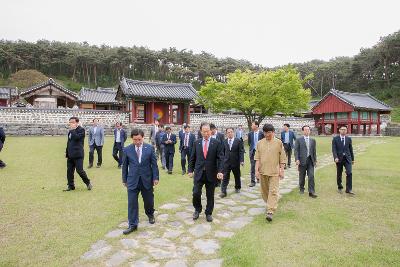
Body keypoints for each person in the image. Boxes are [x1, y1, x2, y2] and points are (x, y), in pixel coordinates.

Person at [122, 128, 159, 234]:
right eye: (135, 140)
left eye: (139, 139)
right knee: (132, 203)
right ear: (132, 139)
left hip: (146, 179)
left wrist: (155, 177)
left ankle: (150, 214)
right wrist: (124, 179)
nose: (137, 142)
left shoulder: (150, 148)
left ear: (143, 138)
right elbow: (125, 166)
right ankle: (133, 224)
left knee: (148, 201)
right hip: (132, 180)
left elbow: (154, 165)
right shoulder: (127, 149)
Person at [188, 123, 224, 222]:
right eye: (204, 131)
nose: (207, 133)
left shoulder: (216, 143)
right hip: (199, 173)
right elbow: (192, 158)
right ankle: (197, 209)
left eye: (208, 131)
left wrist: (220, 171)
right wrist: (190, 170)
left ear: (210, 131)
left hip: (211, 173)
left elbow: (221, 158)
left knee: (210, 195)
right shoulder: (197, 143)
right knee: (196, 193)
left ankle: (208, 212)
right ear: (201, 132)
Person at [255, 123, 286, 222]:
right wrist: (256, 171)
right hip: (263, 171)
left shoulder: (278, 142)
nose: (267, 134)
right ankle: (269, 203)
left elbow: (282, 159)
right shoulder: (259, 143)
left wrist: (282, 170)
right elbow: (257, 159)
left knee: (273, 191)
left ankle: (270, 211)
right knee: (264, 192)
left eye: (269, 132)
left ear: (273, 132)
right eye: (265, 132)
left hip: (274, 172)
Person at [64, 117, 92, 191]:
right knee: (69, 171)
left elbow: (76, 138)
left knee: (79, 171)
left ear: (77, 122)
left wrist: (73, 130)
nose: (71, 123)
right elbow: (69, 142)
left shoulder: (81, 130)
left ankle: (88, 182)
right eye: (70, 122)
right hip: (70, 155)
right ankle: (71, 186)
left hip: (78, 155)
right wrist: (67, 152)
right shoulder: (70, 131)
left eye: (72, 122)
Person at [220, 127, 244, 198]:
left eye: (231, 132)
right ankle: (223, 191)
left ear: (233, 132)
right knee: (225, 177)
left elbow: (241, 151)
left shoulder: (238, 141)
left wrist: (241, 160)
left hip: (235, 162)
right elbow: (222, 152)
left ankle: (237, 187)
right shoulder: (224, 141)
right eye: (228, 132)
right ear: (226, 134)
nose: (230, 133)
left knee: (237, 175)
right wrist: (222, 160)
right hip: (226, 162)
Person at [294, 125, 318, 198]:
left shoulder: (313, 140)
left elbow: (314, 151)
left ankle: (311, 191)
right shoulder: (298, 140)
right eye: (305, 130)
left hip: (311, 161)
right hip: (302, 160)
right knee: (302, 176)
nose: (307, 131)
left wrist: (315, 161)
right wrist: (297, 159)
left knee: (311, 176)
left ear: (310, 131)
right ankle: (301, 188)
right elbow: (296, 150)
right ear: (303, 131)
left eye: (308, 130)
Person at [332, 125, 355, 195]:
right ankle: (340, 187)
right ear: (339, 130)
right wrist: (335, 157)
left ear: (346, 130)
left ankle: (349, 189)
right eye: (342, 129)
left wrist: (353, 159)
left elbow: (351, 149)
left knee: (349, 172)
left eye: (345, 129)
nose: (343, 131)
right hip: (339, 159)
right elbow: (334, 149)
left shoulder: (348, 139)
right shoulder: (335, 139)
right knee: (339, 173)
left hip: (348, 159)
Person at [248, 121, 264, 187]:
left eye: (252, 125)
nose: (251, 126)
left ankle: (258, 178)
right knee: (252, 166)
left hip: (260, 152)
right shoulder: (250, 134)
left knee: (260, 166)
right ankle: (252, 181)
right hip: (253, 152)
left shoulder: (262, 134)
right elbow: (249, 143)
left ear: (257, 126)